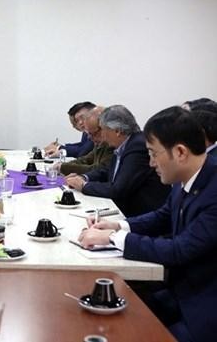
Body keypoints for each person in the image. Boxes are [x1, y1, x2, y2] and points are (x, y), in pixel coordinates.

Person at [78, 106, 217, 342]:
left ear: (180, 152)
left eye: (153, 153)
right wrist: (118, 226)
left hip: (203, 307)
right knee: (106, 315)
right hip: (177, 292)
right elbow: (162, 216)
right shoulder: (186, 177)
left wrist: (114, 239)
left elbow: (180, 249)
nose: (151, 163)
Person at [66, 105, 170, 217]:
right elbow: (107, 170)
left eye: (104, 130)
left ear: (117, 131)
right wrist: (84, 177)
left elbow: (118, 189)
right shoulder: (124, 145)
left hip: (142, 216)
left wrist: (84, 186)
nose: (103, 136)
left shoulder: (137, 146)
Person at [55, 106, 114, 175]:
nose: (80, 123)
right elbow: (86, 159)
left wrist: (63, 167)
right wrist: (62, 165)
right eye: (76, 121)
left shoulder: (113, 145)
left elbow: (98, 169)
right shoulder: (101, 143)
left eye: (82, 118)